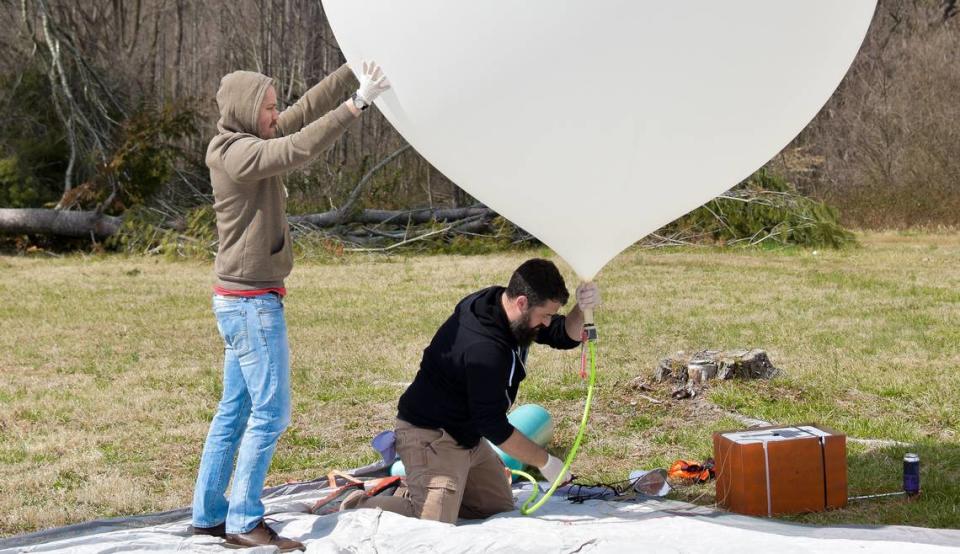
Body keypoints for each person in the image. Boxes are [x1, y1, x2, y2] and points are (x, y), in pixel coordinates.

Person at [188, 61, 390, 550]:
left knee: (235, 410)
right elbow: (297, 147)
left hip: (242, 300)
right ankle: (242, 522)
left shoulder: (243, 139)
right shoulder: (237, 155)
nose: (278, 113)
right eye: (269, 107)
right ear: (244, 111)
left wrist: (348, 71)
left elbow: (299, 115)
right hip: (251, 304)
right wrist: (357, 105)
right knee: (271, 413)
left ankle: (208, 515)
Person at [336, 258, 601, 523]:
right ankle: (361, 503)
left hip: (468, 435)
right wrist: (545, 462)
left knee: (496, 508)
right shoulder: (483, 348)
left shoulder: (504, 307)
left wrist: (583, 307)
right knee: (433, 523)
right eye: (545, 315)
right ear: (521, 303)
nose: (547, 323)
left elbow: (562, 335)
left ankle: (433, 489)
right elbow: (494, 426)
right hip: (430, 436)